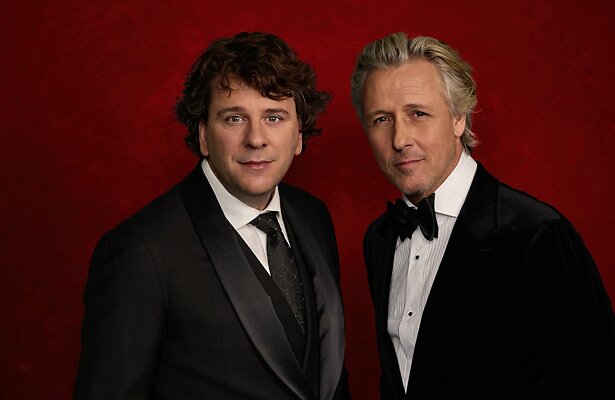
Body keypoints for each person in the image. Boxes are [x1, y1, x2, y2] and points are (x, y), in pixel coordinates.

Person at [74, 32, 349, 400]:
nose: (256, 138)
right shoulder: (140, 252)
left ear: (298, 134)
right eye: (234, 118)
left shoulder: (313, 216)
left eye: (274, 117)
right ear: (203, 134)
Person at [351, 32, 615, 399]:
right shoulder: (380, 238)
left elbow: (596, 380)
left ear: (459, 118)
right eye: (381, 119)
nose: (399, 139)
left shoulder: (538, 233)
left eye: (418, 113)